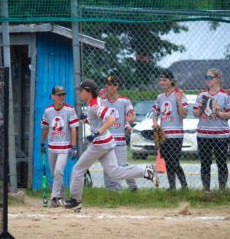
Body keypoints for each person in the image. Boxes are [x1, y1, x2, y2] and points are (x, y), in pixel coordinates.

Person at [61, 79, 159, 211]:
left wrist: (96, 133)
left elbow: (112, 119)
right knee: (115, 173)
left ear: (89, 92)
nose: (79, 93)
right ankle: (145, 171)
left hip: (100, 144)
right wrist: (86, 121)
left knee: (78, 169)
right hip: (106, 142)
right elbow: (98, 122)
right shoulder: (94, 103)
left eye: (81, 90)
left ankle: (75, 200)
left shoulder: (95, 105)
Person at [193, 68, 230, 191]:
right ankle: (206, 190)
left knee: (221, 163)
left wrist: (218, 112)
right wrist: (200, 108)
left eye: (209, 77)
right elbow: (196, 114)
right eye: (206, 77)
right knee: (205, 163)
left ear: (217, 79)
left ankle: (222, 190)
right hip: (203, 134)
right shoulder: (202, 95)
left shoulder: (226, 95)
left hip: (220, 135)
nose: (207, 80)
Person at [40, 86, 79, 207]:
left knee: (58, 171)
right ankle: (62, 196)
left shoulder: (69, 110)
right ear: (52, 96)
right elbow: (45, 128)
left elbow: (73, 129)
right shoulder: (48, 111)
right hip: (52, 147)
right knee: (55, 174)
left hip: (64, 147)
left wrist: (74, 147)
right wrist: (42, 143)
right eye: (59, 95)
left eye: (63, 95)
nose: (61, 97)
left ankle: (55, 197)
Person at [151, 69, 188, 190]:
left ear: (171, 81)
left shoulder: (179, 94)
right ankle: (172, 187)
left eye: (165, 80)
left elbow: (184, 114)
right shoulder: (160, 97)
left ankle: (184, 186)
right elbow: (155, 112)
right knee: (167, 161)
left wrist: (179, 101)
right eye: (160, 80)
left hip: (176, 135)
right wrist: (155, 123)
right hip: (164, 135)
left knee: (174, 161)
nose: (161, 82)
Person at [101, 75, 138, 192]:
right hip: (106, 138)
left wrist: (130, 120)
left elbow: (130, 115)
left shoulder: (124, 101)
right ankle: (113, 190)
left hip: (119, 139)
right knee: (108, 167)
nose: (111, 87)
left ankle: (133, 187)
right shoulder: (102, 102)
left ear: (118, 86)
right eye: (109, 84)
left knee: (122, 166)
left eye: (114, 84)